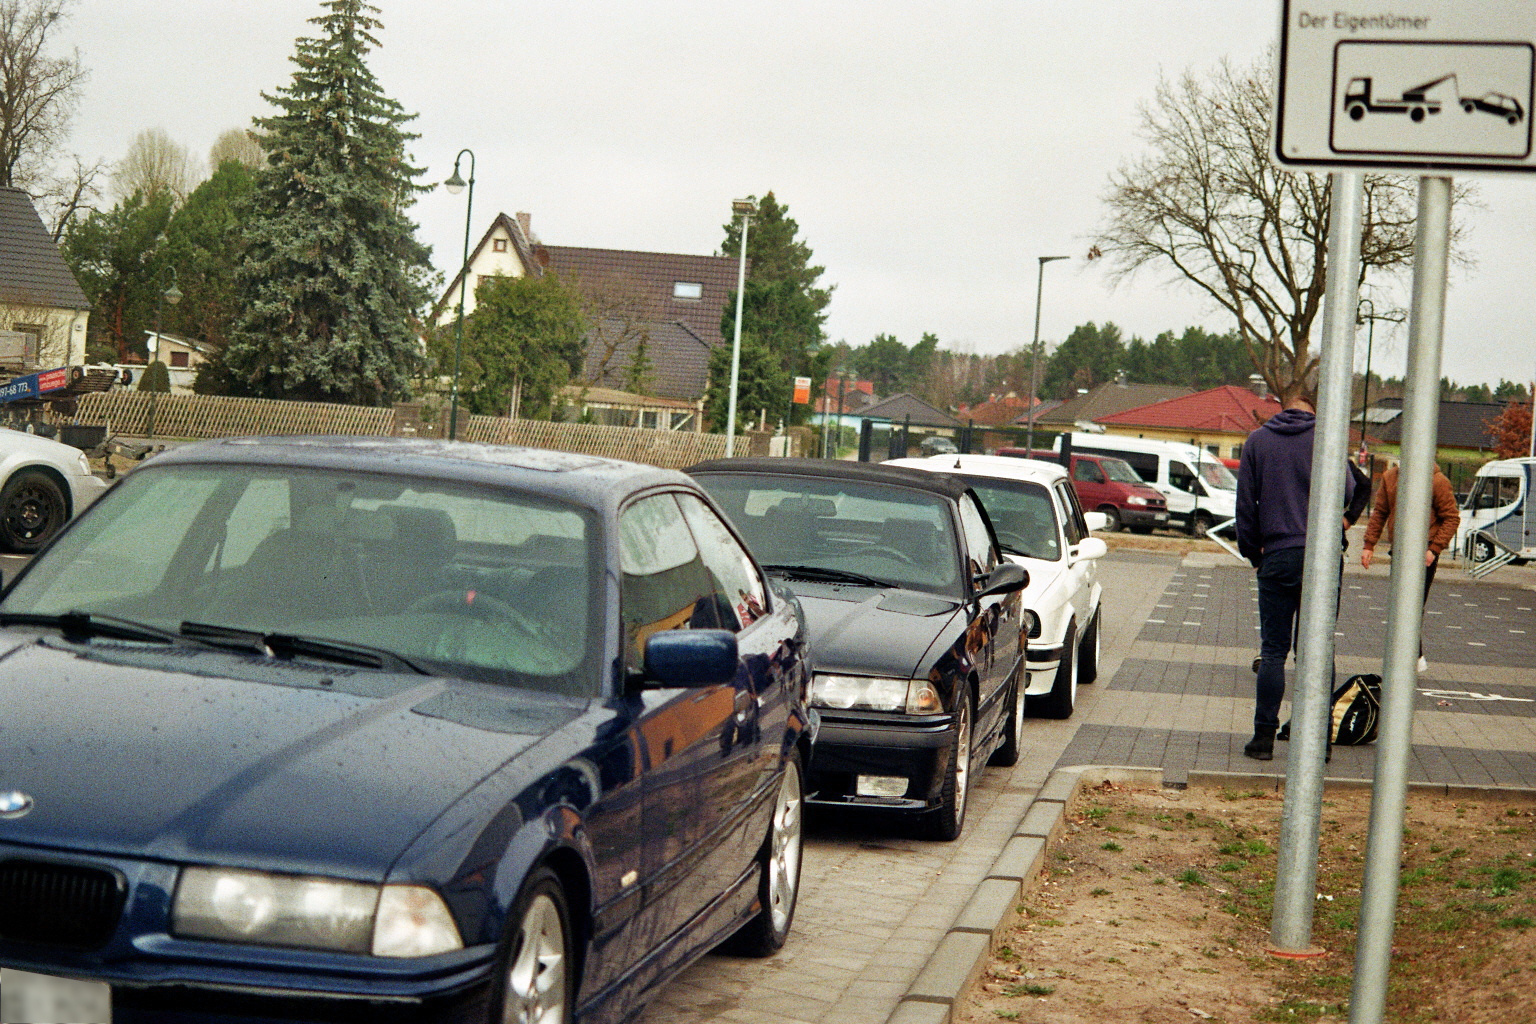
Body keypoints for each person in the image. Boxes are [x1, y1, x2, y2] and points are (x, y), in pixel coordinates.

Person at [1235, 390, 1363, 761]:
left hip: (1276, 554)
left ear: (1283, 408)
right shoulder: (1327, 439)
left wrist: (1252, 551)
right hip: (1322, 557)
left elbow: (1245, 502)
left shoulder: (1257, 441)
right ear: (1313, 410)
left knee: (1273, 650)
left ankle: (1262, 739)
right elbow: (1349, 489)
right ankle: (1318, 739)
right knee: (1317, 650)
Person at [1359, 461, 1460, 672]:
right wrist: (1369, 544)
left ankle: (1412, 657)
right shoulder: (1390, 477)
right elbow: (1380, 512)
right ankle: (1413, 656)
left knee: (1413, 603)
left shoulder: (1437, 480)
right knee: (1401, 602)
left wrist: (1434, 549)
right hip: (1400, 549)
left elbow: (1451, 517)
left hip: (1424, 550)